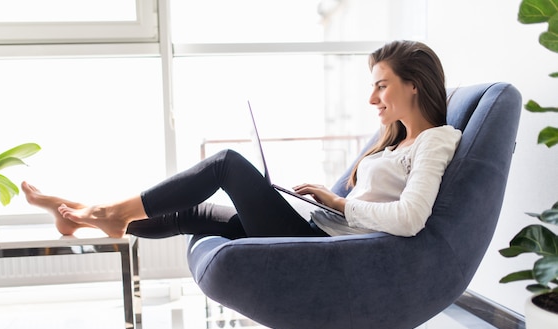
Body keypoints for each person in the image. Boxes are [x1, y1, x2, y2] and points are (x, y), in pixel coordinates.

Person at [23, 40, 461, 240]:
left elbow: (409, 220)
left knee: (227, 164)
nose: (372, 98)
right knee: (189, 213)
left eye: (381, 86)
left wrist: (338, 203)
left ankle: (106, 213)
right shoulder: (392, 140)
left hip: (325, 247)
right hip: (315, 227)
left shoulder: (435, 141)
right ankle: (78, 214)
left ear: (415, 85)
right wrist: (321, 201)